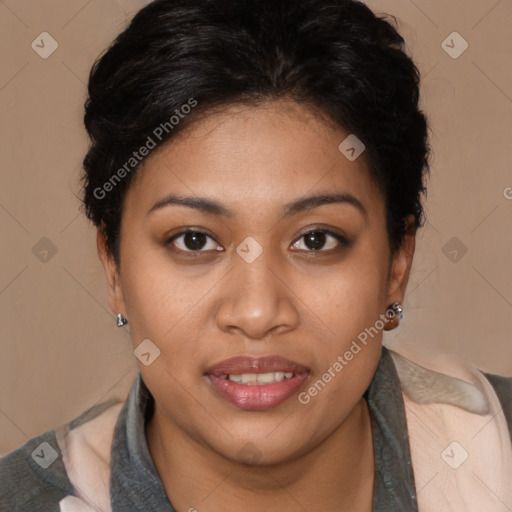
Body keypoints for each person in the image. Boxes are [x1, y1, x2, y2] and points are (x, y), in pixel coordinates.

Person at [1, 0, 511, 511]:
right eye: (194, 240)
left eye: (316, 240)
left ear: (397, 264)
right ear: (113, 267)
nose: (257, 312)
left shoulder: (492, 457)